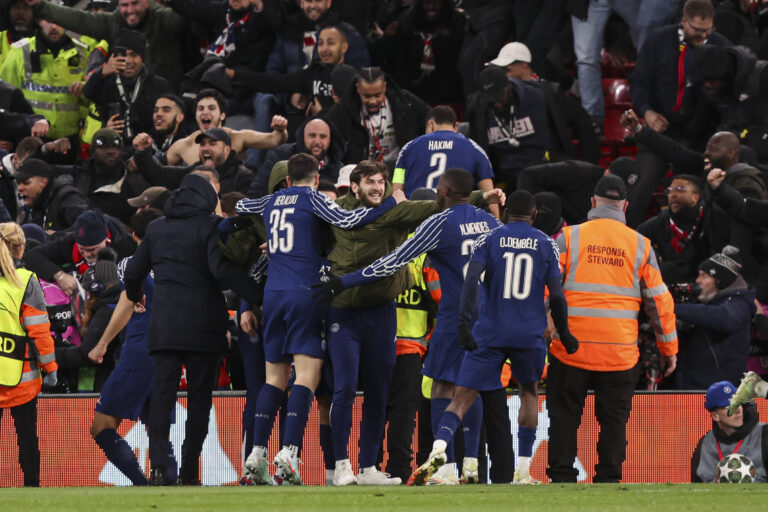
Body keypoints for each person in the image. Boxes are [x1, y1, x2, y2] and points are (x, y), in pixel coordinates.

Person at [314, 168, 503, 486]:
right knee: (472, 386)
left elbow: (392, 261)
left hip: (454, 318)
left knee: (441, 387)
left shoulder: (439, 223)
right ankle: (471, 463)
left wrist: (345, 281)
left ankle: (445, 467)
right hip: (490, 318)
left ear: (444, 192)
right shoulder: (491, 222)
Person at [232, 153, 403, 486]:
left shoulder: (271, 201)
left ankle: (256, 453)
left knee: (273, 379)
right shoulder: (313, 199)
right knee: (307, 377)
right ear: (315, 177)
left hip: (273, 294)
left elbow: (241, 207)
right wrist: (390, 204)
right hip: (304, 293)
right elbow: (348, 220)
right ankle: (289, 452)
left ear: (287, 179)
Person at [410, 190, 579, 486]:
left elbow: (470, 282)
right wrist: (564, 332)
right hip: (528, 332)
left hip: (490, 330)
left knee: (462, 395)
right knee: (528, 393)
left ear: (507, 211)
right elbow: (557, 296)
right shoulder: (546, 244)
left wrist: (464, 325)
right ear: (534, 214)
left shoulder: (488, 239)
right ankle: (522, 471)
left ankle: (440, 448)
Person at [123, 172, 261, 485]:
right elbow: (220, 271)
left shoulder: (157, 228)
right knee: (199, 401)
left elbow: (132, 271)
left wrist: (135, 295)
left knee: (162, 398)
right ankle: (188, 471)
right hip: (204, 326)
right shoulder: (210, 225)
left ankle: (159, 467)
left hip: (165, 326)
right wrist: (258, 294)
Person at [546, 174, 679, 483]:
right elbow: (660, 302)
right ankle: (609, 477)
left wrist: (548, 329)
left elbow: (545, 289)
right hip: (620, 352)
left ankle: (562, 476)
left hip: (571, 348)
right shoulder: (640, 245)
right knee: (614, 421)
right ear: (625, 206)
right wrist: (668, 349)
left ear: (593, 202)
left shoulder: (568, 237)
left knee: (564, 416)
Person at [87, 208, 168, 486]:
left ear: (134, 236)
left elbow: (125, 303)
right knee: (157, 428)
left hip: (140, 351)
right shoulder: (180, 265)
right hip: (170, 350)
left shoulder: (130, 265)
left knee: (102, 426)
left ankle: (141, 485)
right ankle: (169, 484)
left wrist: (102, 344)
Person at [0, 222, 57, 487]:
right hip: (21, 378)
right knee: (26, 437)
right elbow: (39, 332)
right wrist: (50, 369)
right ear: (21, 248)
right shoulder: (26, 281)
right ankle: (32, 486)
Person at [28, 0, 187, 90]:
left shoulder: (165, 19)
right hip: (128, 102)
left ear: (147, 2)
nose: (130, 10)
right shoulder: (114, 22)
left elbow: (188, 18)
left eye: (135, 3)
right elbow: (80, 20)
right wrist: (41, 6)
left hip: (167, 101)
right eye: (125, 5)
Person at [490, 41, 600, 164]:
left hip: (547, 165)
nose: (504, 75)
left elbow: (582, 123)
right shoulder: (500, 98)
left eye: (506, 70)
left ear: (524, 65)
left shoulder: (550, 94)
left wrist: (589, 164)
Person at [0, 14, 98, 144]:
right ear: (39, 20)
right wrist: (5, 136)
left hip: (69, 140)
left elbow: (90, 102)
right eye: (49, 20)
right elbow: (5, 98)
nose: (54, 26)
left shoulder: (83, 53)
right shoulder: (19, 52)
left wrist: (85, 89)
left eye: (59, 21)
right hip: (29, 139)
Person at [674, 246, 754, 389]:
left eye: (704, 276)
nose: (697, 280)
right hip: (689, 385)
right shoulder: (703, 301)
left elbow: (722, 319)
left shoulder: (740, 304)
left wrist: (671, 308)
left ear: (719, 280)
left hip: (719, 393)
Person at [392, 106, 495, 214]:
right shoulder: (475, 149)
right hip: (455, 217)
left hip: (416, 217)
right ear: (455, 128)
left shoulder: (407, 148)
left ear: (430, 125)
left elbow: (397, 192)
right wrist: (497, 221)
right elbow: (491, 196)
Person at [324, 66, 430, 167]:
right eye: (367, 96)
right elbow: (325, 129)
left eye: (377, 95)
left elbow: (432, 119)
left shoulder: (405, 103)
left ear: (384, 87)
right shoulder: (343, 110)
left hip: (399, 168)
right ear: (358, 88)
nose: (373, 101)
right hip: (362, 172)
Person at [466, 66, 550, 192]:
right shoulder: (479, 109)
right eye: (490, 99)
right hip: (504, 177)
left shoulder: (535, 97)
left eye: (498, 97)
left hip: (537, 169)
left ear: (509, 87)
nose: (495, 103)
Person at [82, 29, 172, 145]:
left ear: (142, 58)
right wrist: (103, 72)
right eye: (123, 55)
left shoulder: (159, 85)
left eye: (133, 55)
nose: (128, 61)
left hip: (149, 148)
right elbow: (88, 92)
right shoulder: (107, 82)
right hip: (114, 148)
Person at [161, 89, 288, 167]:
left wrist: (280, 129)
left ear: (222, 115)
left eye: (211, 108)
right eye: (201, 109)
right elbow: (163, 172)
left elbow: (275, 140)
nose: (205, 112)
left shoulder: (238, 137)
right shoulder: (183, 145)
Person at [23, 209, 136, 297]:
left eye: (92, 249)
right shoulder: (69, 243)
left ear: (106, 239)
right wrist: (59, 276)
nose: (87, 254)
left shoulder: (127, 247)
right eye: (82, 249)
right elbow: (31, 256)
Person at [134, 127, 253, 195]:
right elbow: (159, 175)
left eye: (212, 144)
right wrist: (143, 152)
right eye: (202, 144)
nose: (205, 148)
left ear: (227, 150)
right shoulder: (194, 171)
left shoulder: (244, 178)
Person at [637, 175, 709, 283]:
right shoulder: (661, 221)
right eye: (669, 191)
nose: (672, 195)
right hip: (666, 285)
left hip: (704, 284)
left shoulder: (708, 218)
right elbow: (634, 239)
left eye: (680, 189)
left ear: (695, 197)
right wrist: (654, 258)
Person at [691, 380, 768, 482]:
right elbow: (696, 488)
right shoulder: (705, 444)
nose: (738, 410)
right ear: (715, 416)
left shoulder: (764, 435)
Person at [249, 117, 345, 198]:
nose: (317, 142)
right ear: (303, 137)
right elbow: (257, 192)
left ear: (330, 140)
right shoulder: (281, 155)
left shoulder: (339, 170)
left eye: (323, 137)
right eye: (312, 135)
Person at [14, 158, 90, 231]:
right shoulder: (39, 204)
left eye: (26, 183)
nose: (20, 188)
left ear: (43, 182)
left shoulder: (67, 197)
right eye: (18, 183)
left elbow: (87, 226)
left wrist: (57, 236)